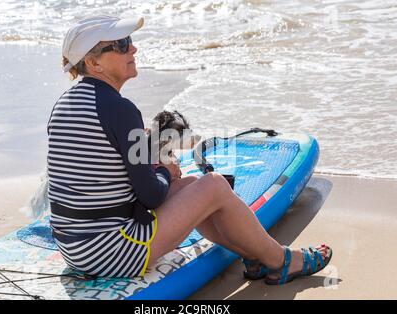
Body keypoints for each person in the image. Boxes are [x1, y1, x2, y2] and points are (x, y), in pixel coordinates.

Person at [48, 15, 332, 285]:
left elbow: (101, 175)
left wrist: (157, 169)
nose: (133, 48)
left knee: (193, 185)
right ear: (92, 63)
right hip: (110, 251)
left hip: (75, 247)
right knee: (214, 186)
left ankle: (252, 254)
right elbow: (149, 195)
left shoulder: (64, 105)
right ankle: (281, 260)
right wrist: (163, 170)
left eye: (129, 40)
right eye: (121, 45)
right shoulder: (119, 110)